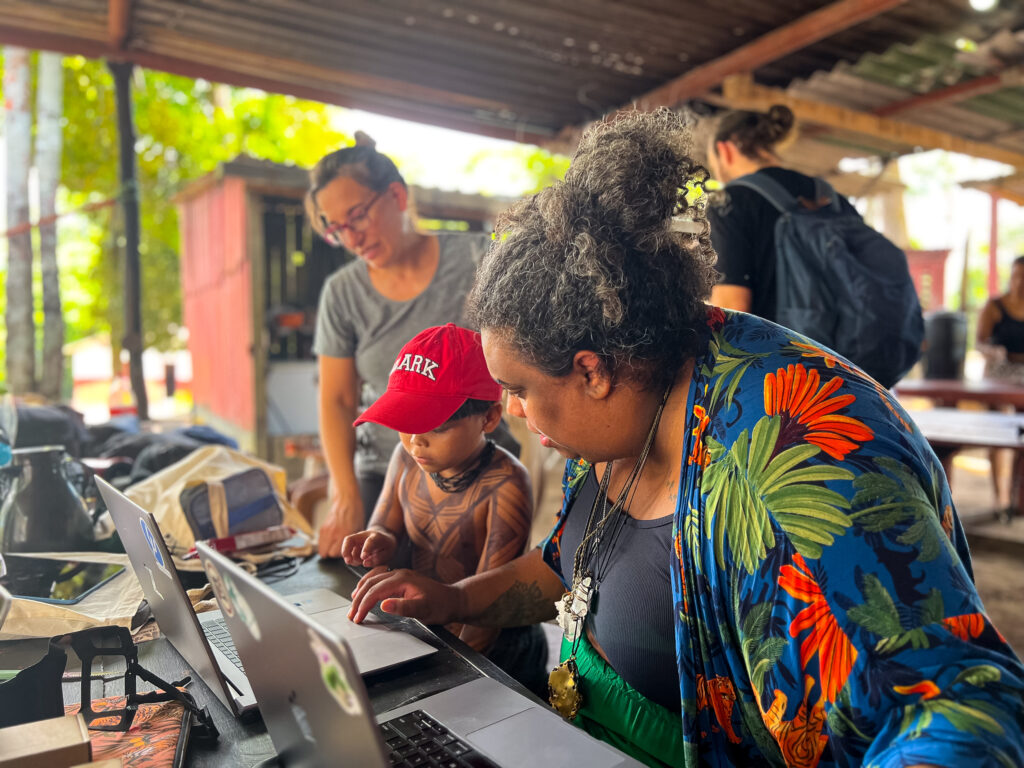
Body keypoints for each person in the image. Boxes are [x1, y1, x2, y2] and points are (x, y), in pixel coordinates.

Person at [346, 110, 1024, 767]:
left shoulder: (801, 456)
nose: (515, 412)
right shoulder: (634, 385)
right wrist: (457, 599)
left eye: (519, 390)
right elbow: (576, 568)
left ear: (591, 371)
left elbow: (963, 709)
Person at [307, 133, 488, 558]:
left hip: (475, 463)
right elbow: (336, 399)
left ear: (396, 195)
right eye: (336, 229)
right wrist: (346, 493)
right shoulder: (343, 294)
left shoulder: (478, 261)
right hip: (385, 470)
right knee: (357, 580)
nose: (351, 238)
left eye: (357, 217)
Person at [340, 323, 546, 694]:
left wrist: (449, 682)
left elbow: (488, 612)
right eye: (405, 423)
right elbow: (384, 524)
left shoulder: (505, 485)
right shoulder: (406, 458)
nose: (416, 441)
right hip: (428, 632)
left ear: (488, 418)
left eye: (433, 425)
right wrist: (378, 540)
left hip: (495, 651)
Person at [703, 104, 859, 319]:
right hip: (846, 350)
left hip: (780, 351)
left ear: (725, 150)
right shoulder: (833, 198)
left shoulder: (729, 202)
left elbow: (732, 308)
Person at [976, 254, 1024, 507]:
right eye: (1017, 276)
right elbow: (979, 342)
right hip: (998, 374)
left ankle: (1017, 500)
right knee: (998, 431)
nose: (1020, 282)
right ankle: (999, 498)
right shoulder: (995, 306)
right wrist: (993, 352)